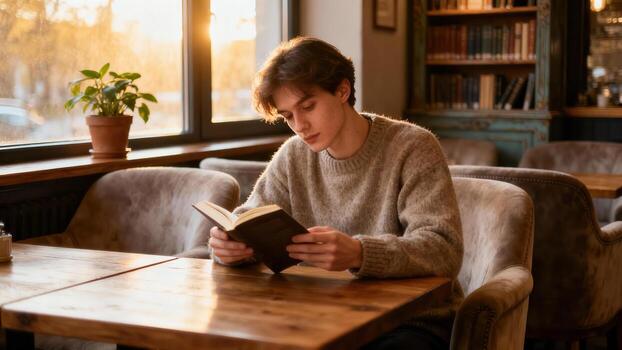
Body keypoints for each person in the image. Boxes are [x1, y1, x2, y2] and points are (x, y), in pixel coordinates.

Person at [208, 36, 463, 350]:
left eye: (308, 106)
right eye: (288, 116)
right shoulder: (293, 155)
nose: (300, 125)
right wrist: (229, 247)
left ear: (343, 90)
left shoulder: (412, 147)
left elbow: (444, 249)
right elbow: (250, 216)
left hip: (410, 322)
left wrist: (359, 253)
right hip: (320, 314)